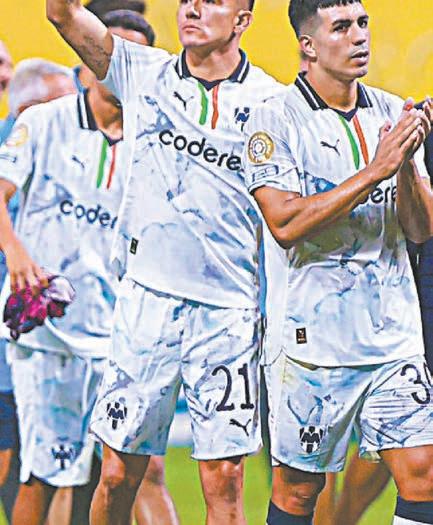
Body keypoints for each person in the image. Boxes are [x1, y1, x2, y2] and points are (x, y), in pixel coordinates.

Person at [46, 0, 284, 523]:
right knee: (117, 474)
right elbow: (61, 14)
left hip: (227, 313)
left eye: (213, 0)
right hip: (146, 304)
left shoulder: (273, 103)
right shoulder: (141, 70)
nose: (193, 8)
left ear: (243, 20)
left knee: (225, 480)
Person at [243, 1, 433, 524]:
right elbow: (285, 224)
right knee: (299, 492)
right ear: (307, 44)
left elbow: (420, 229)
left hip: (393, 337)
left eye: (363, 24)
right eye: (342, 27)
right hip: (312, 346)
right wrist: (376, 170)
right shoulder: (272, 119)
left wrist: (405, 167)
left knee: (424, 473)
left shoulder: (391, 112)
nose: (359, 37)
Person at [0, 20, 145, 524]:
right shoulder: (44, 121)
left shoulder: (150, 141)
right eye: (110, 57)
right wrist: (15, 250)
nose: (120, 70)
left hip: (118, 330)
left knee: (119, 470)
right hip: (48, 328)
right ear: (87, 62)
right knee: (42, 468)